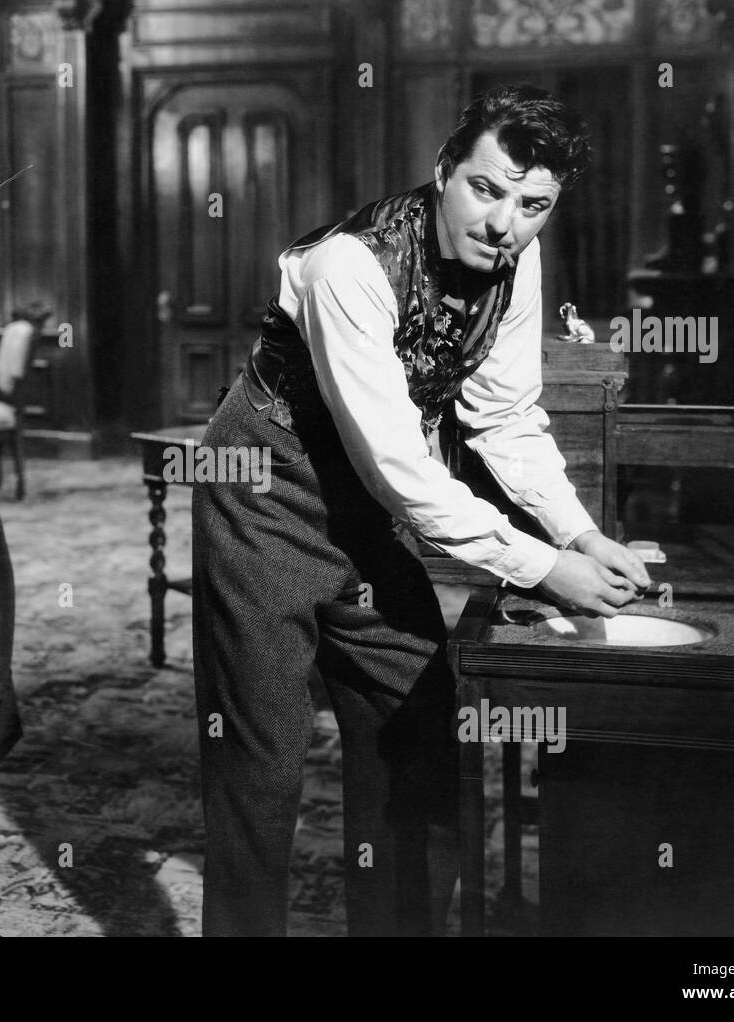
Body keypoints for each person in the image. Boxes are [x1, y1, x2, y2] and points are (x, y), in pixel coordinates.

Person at [192, 84, 652, 937]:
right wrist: (545, 565)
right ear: (445, 171)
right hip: (267, 487)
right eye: (487, 189)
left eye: (533, 205)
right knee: (260, 763)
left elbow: (503, 416)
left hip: (365, 509)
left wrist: (578, 530)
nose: (504, 222)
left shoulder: (516, 258)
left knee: (422, 716)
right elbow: (400, 464)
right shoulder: (347, 266)